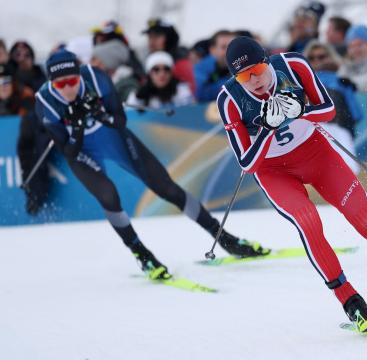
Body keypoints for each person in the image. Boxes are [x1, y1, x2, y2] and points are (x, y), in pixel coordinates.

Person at [217, 36, 367, 334]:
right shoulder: (229, 99)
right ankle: (352, 303)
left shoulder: (292, 65)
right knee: (309, 223)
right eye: (243, 76)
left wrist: (299, 110)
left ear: (268, 61)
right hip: (274, 172)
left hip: (317, 155)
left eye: (258, 70)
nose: (254, 81)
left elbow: (328, 110)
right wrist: (266, 127)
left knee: (365, 220)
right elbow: (247, 162)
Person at [35, 49, 270, 279]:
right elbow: (68, 150)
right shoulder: (45, 101)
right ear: (51, 84)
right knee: (109, 197)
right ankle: (142, 254)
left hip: (111, 136)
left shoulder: (96, 78)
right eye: (59, 85)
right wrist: (76, 125)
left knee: (166, 188)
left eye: (71, 81)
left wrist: (99, 113)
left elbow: (119, 120)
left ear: (79, 76)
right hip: (82, 151)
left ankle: (225, 238)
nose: (67, 89)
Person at [303, 40, 362, 173]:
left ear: (330, 57)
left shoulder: (342, 80)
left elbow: (356, 113)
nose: (317, 61)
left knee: (347, 170)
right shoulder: (300, 83)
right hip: (313, 133)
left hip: (340, 129)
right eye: (311, 58)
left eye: (322, 57)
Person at [0, 63, 51, 214]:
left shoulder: (28, 100)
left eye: (6, 82)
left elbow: (30, 147)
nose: (3, 87)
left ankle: (35, 195)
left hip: (31, 149)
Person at [127, 51, 193, 109]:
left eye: (166, 69)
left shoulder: (182, 92)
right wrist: (138, 100)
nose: (162, 74)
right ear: (149, 73)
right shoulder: (138, 97)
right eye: (156, 70)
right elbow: (130, 118)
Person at [142, 18, 195, 92]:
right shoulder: (147, 61)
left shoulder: (181, 64)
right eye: (150, 37)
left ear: (170, 39)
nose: (152, 41)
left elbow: (190, 94)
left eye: (157, 36)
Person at [193, 30, 236, 102]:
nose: (229, 51)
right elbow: (200, 95)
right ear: (212, 50)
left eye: (233, 46)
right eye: (223, 47)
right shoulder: (202, 68)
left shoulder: (246, 65)